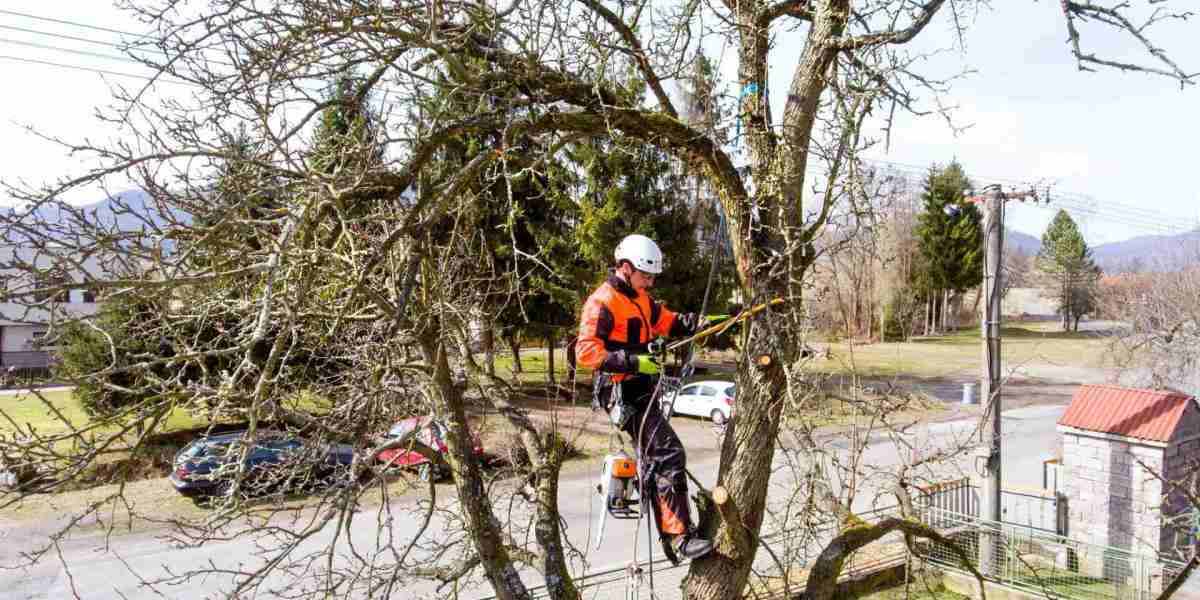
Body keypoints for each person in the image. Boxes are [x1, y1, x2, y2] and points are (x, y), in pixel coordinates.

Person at [576, 234, 727, 561]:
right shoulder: (602, 302)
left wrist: (705, 323)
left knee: (659, 456)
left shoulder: (641, 299)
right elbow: (586, 352)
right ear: (626, 268)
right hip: (620, 391)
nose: (650, 282)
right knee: (668, 453)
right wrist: (632, 362)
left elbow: (668, 322)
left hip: (644, 388)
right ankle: (677, 538)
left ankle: (673, 532)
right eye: (646, 275)